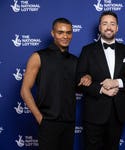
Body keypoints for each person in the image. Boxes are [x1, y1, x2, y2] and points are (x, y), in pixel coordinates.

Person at [20, 18, 91, 150]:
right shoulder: (38, 56)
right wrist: (40, 118)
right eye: (60, 32)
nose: (65, 36)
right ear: (53, 33)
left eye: (68, 33)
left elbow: (79, 88)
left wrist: (87, 77)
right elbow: (25, 90)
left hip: (69, 123)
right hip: (48, 122)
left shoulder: (75, 61)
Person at [77, 11, 125, 150]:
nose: (109, 27)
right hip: (94, 112)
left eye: (112, 24)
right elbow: (79, 80)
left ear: (117, 28)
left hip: (118, 113)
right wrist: (101, 89)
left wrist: (116, 82)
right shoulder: (87, 50)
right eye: (105, 23)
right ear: (99, 27)